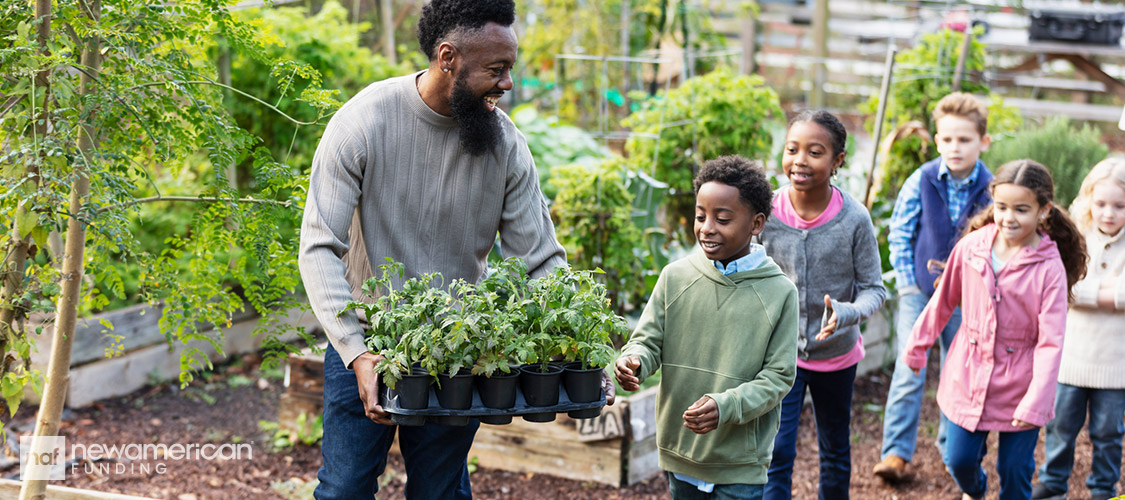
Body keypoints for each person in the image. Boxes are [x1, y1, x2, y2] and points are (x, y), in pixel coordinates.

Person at [298, 1, 614, 498]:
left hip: (457, 351)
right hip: (364, 344)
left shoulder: (504, 145)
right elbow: (318, 249)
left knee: (439, 492)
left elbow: (542, 261)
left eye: (510, 68)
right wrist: (357, 355)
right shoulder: (362, 123)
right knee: (344, 489)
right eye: (496, 69)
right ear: (448, 58)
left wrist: (586, 350)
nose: (507, 83)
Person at [615, 155, 798, 500]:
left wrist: (725, 405)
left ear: (756, 223)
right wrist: (635, 359)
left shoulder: (779, 292)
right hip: (681, 451)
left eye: (723, 218)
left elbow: (779, 377)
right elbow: (648, 341)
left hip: (739, 462)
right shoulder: (675, 277)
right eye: (701, 216)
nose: (707, 227)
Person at [903, 159, 1087, 500]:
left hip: (1021, 384)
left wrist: (1037, 398)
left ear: (1044, 210)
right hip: (968, 374)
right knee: (958, 459)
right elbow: (943, 300)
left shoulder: (1049, 269)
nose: (1008, 217)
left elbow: (1051, 342)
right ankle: (976, 491)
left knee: (1015, 471)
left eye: (1021, 209)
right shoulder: (971, 248)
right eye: (1001, 207)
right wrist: (918, 346)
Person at [758, 110, 887, 500]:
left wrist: (847, 313)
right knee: (775, 451)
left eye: (815, 152)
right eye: (792, 149)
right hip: (780, 356)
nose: (800, 160)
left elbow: (874, 289)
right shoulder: (765, 214)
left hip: (836, 355)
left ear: (838, 162)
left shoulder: (854, 219)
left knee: (835, 451)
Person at [874, 92, 995, 482]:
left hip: (969, 303)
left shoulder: (993, 189)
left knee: (960, 374)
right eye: (946, 140)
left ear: (983, 142)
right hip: (921, 297)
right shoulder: (923, 179)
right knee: (909, 369)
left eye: (964, 140)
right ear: (937, 140)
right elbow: (901, 232)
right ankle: (895, 454)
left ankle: (951, 451)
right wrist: (909, 287)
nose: (954, 148)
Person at [1032, 158, 1125, 500]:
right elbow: (1061, 285)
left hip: (1117, 365)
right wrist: (1108, 292)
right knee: (1060, 425)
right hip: (1071, 357)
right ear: (1088, 200)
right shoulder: (1075, 236)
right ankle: (1053, 483)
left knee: (1108, 431)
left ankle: (1104, 488)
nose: (1109, 214)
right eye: (1100, 204)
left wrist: (1088, 292)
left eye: (1119, 206)